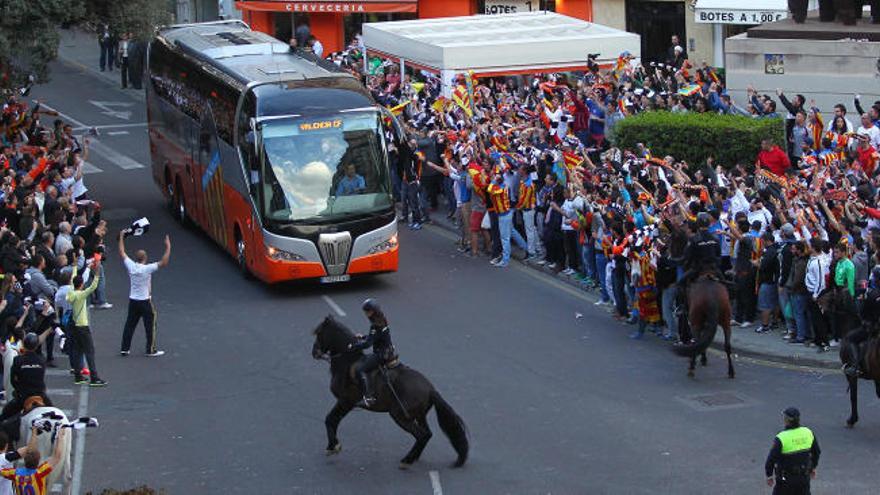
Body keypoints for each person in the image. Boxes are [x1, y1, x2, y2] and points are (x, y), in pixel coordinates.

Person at [118, 232, 171, 357]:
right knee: (150, 325)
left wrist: (121, 237)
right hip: (145, 301)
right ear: (145, 258)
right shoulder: (147, 268)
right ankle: (150, 349)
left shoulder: (131, 266)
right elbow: (163, 262)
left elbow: (122, 252)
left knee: (129, 324)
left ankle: (125, 348)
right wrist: (168, 247)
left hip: (133, 300)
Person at [348, 299, 397, 407]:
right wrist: (363, 337)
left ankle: (369, 397)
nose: (365, 314)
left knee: (360, 369)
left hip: (381, 355)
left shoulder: (375, 325)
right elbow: (376, 337)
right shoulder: (382, 319)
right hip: (388, 351)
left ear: (372, 312)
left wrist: (353, 346)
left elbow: (367, 344)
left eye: (367, 311)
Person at [66, 260, 106, 387]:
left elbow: (73, 278)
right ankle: (94, 377)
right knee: (89, 351)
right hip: (83, 326)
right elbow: (93, 287)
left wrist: (74, 268)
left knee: (78, 350)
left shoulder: (71, 293)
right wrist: (97, 273)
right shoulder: (81, 295)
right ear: (82, 284)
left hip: (75, 326)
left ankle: (78, 376)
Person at [765, 407, 820, 495]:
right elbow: (817, 452)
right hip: (803, 477)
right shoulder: (808, 432)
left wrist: (769, 475)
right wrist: (813, 467)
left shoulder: (782, 437)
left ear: (786, 420)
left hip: (785, 480)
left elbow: (771, 459)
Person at [0, 332, 52, 423]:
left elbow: (13, 380)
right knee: (55, 415)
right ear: (36, 346)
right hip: (40, 394)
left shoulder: (18, 360)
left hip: (24, 396)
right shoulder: (41, 360)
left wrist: (18, 390)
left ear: (24, 344)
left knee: (4, 415)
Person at [1, 426, 68, 495]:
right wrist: (60, 436)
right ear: (38, 461)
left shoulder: (15, 473)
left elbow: (2, 471)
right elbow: (57, 456)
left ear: (25, 460)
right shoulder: (40, 472)